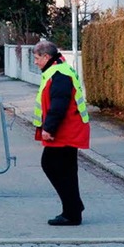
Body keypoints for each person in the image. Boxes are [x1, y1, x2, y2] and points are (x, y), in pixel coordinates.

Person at [32, 40, 90, 226]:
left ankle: (72, 210)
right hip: (68, 128)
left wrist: (49, 128)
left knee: (51, 165)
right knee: (66, 170)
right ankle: (73, 210)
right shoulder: (59, 70)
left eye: (36, 58)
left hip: (65, 130)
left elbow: (59, 104)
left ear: (46, 57)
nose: (35, 62)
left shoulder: (59, 74)